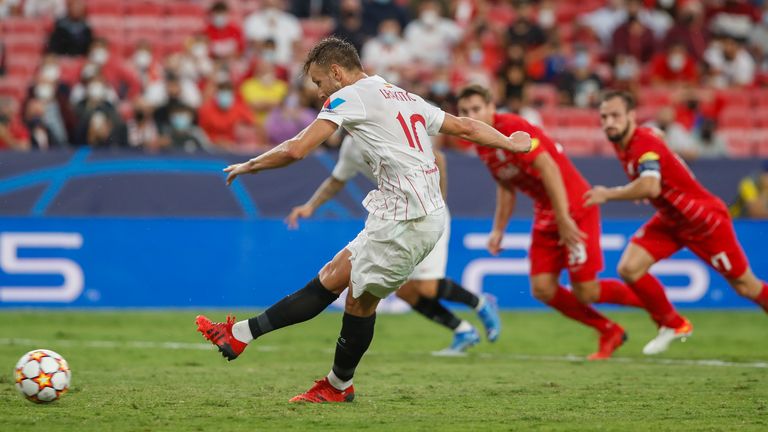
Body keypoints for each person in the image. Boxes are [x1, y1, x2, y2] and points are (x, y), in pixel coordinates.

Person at [195, 37, 531, 403]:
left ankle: (338, 385)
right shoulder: (399, 94)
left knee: (359, 303)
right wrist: (510, 143)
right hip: (401, 212)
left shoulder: (348, 97)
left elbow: (296, 149)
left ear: (337, 73)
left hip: (409, 218)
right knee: (331, 277)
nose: (320, 92)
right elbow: (465, 127)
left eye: (320, 83)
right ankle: (241, 335)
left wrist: (250, 164)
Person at [456, 85, 646, 360]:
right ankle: (609, 330)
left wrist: (563, 217)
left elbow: (548, 167)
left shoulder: (512, 127)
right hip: (547, 211)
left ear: (491, 108)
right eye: (464, 112)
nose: (470, 115)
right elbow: (506, 186)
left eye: (476, 109)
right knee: (543, 289)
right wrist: (498, 229)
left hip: (574, 206)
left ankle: (657, 306)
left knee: (587, 291)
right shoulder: (484, 144)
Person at [584, 90, 768, 355]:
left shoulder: (640, 144)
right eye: (604, 117)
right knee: (629, 268)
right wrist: (642, 184)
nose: (609, 122)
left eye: (615, 116)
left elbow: (650, 186)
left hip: (703, 221)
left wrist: (609, 193)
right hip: (671, 220)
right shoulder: (627, 139)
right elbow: (652, 164)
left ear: (630, 117)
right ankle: (672, 323)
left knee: (746, 286)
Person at [286, 134, 502, 354]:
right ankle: (463, 330)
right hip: (399, 218)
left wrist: (438, 203)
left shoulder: (387, 129)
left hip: (427, 215)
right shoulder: (351, 146)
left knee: (427, 287)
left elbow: (438, 158)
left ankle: (481, 303)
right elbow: (337, 180)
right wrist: (310, 206)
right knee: (406, 292)